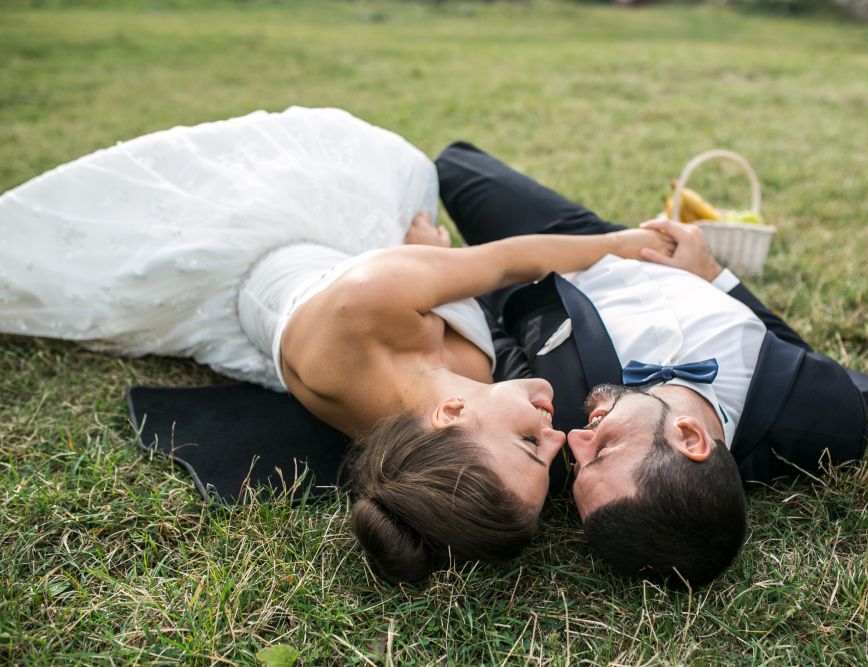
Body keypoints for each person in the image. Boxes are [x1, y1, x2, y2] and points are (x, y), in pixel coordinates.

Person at [0, 108, 674, 584]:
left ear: (449, 418)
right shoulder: (442, 399)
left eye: (533, 443)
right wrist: (435, 264)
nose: (559, 438)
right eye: (545, 452)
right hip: (362, 281)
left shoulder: (366, 307)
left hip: (275, 251)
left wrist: (619, 245)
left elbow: (507, 262)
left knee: (406, 170)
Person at [436, 141, 868, 588]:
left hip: (563, 260)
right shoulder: (831, 422)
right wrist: (715, 275)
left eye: (580, 465)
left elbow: (496, 342)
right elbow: (789, 346)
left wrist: (447, 276)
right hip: (651, 251)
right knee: (455, 167)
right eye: (605, 449)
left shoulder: (550, 420)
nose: (574, 440)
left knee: (444, 171)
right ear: (689, 436)